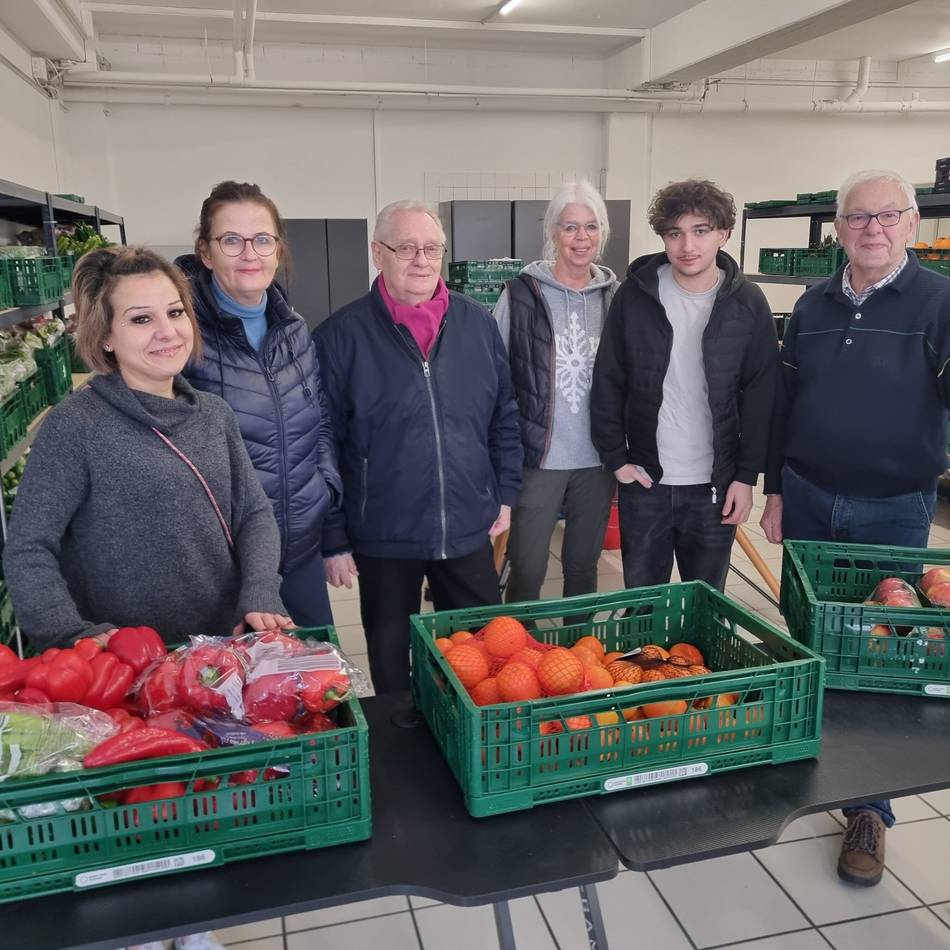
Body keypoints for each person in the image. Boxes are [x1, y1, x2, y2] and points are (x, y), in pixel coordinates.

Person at [2, 247, 289, 950]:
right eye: (140, 319)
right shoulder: (76, 427)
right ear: (103, 336)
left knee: (202, 802)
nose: (166, 331)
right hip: (121, 676)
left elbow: (255, 514)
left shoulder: (213, 413)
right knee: (134, 817)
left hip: (210, 661)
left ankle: (194, 930)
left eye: (174, 312)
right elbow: (29, 544)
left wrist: (258, 589)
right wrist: (71, 635)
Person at [761, 169, 950, 887]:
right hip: (809, 496)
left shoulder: (940, 302)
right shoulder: (812, 305)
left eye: (887, 215)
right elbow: (783, 407)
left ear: (912, 223)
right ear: (838, 228)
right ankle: (802, 767)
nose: (873, 228)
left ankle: (868, 809)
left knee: (881, 655)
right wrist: (775, 491)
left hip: (893, 507)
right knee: (809, 637)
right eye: (858, 217)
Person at [313, 200, 523, 694]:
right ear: (377, 253)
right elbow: (323, 444)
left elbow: (504, 417)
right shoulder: (340, 337)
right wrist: (334, 538)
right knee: (391, 658)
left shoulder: (477, 325)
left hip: (468, 524)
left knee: (479, 658)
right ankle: (400, 732)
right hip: (383, 533)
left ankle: (466, 732)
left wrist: (505, 494)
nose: (421, 260)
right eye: (406, 248)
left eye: (432, 248)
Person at [590, 179, 778, 592]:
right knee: (644, 604)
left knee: (706, 605)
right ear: (663, 237)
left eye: (701, 231)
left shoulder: (748, 303)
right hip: (645, 481)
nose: (687, 246)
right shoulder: (635, 296)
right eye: (675, 233)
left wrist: (746, 477)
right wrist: (616, 459)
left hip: (715, 485)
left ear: (723, 234)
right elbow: (608, 379)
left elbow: (761, 395)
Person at [177, 181, 341, 629]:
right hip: (226, 565)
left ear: (278, 249)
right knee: (232, 673)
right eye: (232, 240)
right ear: (206, 252)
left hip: (301, 551)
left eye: (262, 239)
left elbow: (320, 424)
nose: (249, 253)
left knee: (318, 664)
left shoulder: (294, 330)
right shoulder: (183, 337)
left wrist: (325, 495)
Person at [492, 180, 619, 608]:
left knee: (583, 566)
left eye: (591, 227)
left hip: (597, 460)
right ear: (553, 233)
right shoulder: (519, 295)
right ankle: (516, 646)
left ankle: (578, 646)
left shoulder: (616, 298)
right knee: (527, 567)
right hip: (538, 458)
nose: (581, 238)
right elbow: (496, 377)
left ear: (602, 233)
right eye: (570, 227)